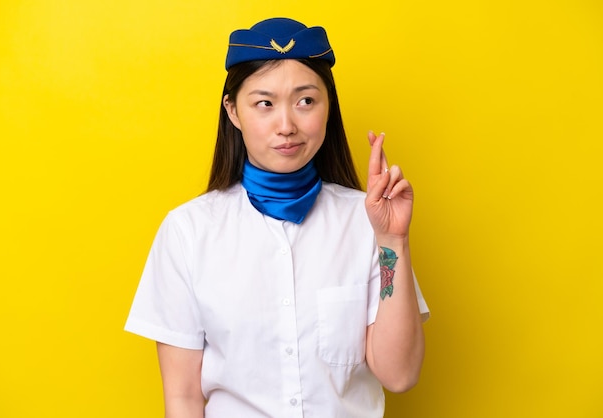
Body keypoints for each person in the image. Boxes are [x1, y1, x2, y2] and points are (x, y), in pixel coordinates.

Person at [125, 17, 430, 418]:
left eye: (305, 101)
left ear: (328, 107)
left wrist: (392, 242)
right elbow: (182, 398)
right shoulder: (188, 232)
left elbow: (400, 374)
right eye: (264, 103)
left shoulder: (365, 222)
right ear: (233, 111)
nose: (286, 126)